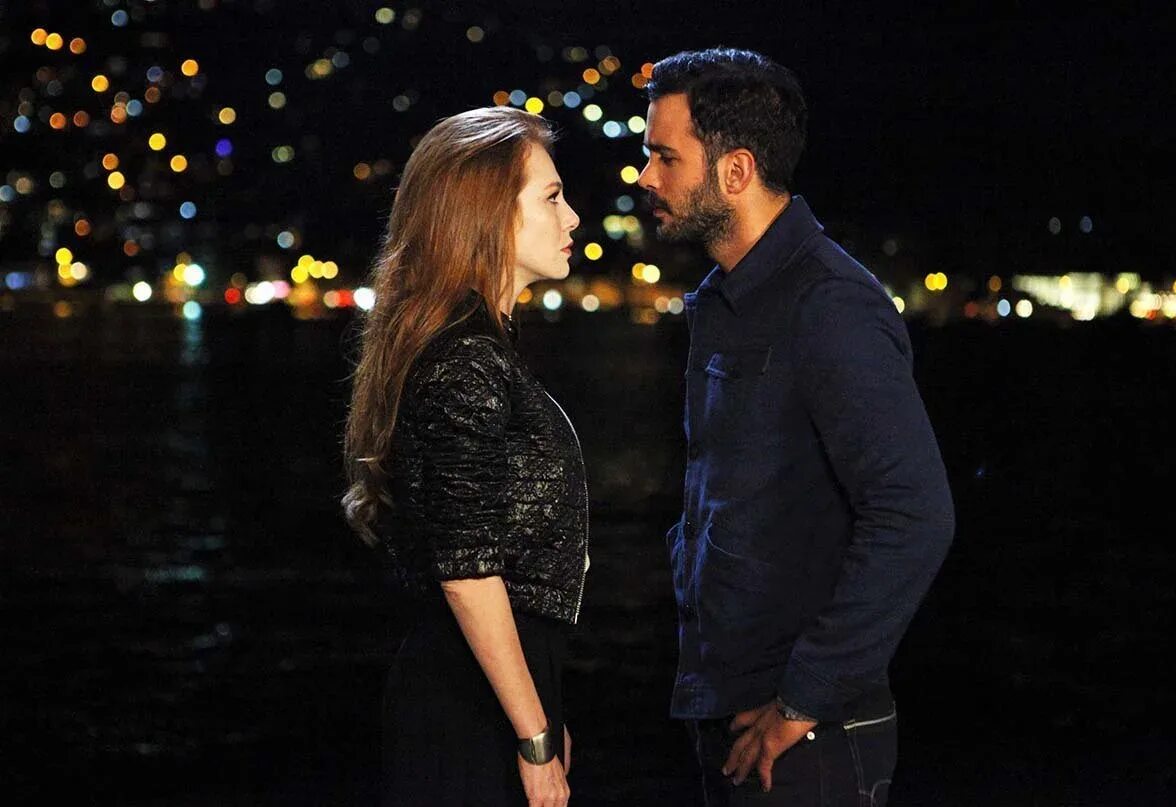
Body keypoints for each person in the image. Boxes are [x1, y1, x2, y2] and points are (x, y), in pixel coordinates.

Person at [637, 48, 955, 806]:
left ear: (735, 171)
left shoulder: (830, 305)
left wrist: (803, 698)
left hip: (806, 739)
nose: (646, 177)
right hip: (737, 711)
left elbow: (915, 513)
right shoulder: (730, 299)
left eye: (664, 157)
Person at [341, 106, 586, 807]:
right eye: (551, 197)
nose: (572, 218)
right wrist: (534, 735)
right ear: (489, 215)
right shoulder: (466, 361)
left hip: (494, 688)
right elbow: (467, 570)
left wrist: (541, 713)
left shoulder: (479, 351)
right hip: (470, 701)